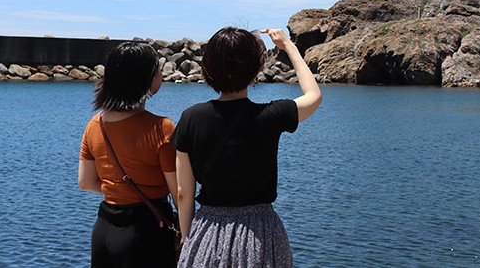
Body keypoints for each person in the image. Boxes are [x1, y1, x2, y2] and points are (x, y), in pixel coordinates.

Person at [172, 27, 322, 268]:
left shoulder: (191, 118)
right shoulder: (271, 115)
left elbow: (183, 193)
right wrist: (289, 46)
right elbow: (313, 94)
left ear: (208, 69)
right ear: (255, 72)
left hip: (209, 230)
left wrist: (191, 241)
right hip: (260, 234)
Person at [79, 42, 178, 268]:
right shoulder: (161, 128)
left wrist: (118, 191)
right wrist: (185, 235)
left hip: (104, 228)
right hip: (146, 231)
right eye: (158, 69)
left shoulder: (95, 125)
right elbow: (179, 193)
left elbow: (85, 182)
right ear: (147, 78)